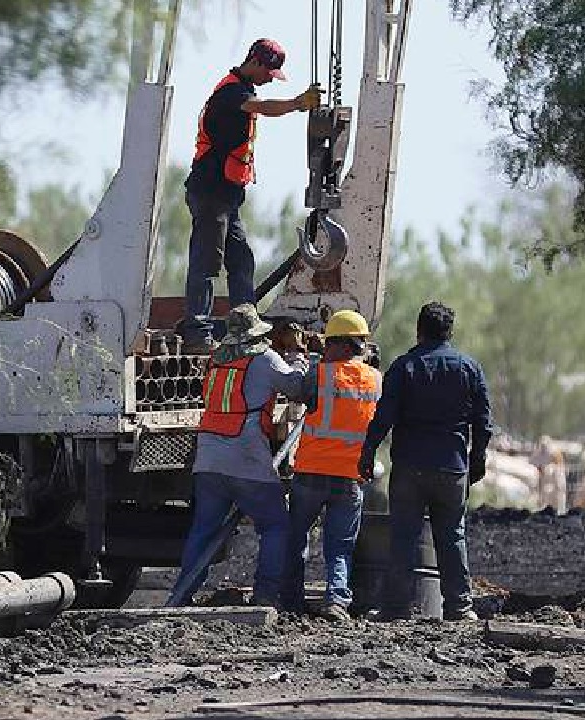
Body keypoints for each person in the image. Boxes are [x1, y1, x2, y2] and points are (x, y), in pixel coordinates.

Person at [178, 39, 323, 353]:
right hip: (210, 192)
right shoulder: (232, 93)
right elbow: (262, 107)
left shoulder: (241, 90)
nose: (271, 77)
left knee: (241, 261)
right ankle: (197, 333)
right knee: (206, 262)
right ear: (254, 62)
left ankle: (247, 329)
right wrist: (297, 103)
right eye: (269, 71)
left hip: (226, 197)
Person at [358, 302, 494, 622]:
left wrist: (368, 453)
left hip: (409, 467)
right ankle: (459, 608)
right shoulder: (469, 368)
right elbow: (483, 423)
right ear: (450, 332)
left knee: (403, 536)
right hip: (452, 467)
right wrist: (477, 461)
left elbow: (383, 418)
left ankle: (395, 608)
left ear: (419, 331)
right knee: (452, 536)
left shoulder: (404, 367)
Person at [169, 304, 309, 606]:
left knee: (204, 528)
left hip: (208, 457)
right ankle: (265, 596)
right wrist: (298, 357)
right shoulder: (266, 359)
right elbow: (297, 388)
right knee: (275, 526)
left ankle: (182, 596)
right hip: (245, 456)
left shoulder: (216, 360)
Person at [282, 310, 381, 622]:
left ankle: (290, 599)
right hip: (350, 477)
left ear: (338, 344)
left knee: (297, 538)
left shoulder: (320, 374)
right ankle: (337, 601)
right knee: (339, 546)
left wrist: (302, 360)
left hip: (311, 472)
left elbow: (296, 391)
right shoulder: (376, 379)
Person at [529, 435, 568, 512]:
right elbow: (532, 463)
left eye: (545, 445)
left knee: (557, 498)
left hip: (554, 478)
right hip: (544, 479)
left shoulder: (555, 453)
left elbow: (560, 468)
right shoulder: (538, 453)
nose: (543, 447)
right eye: (542, 445)